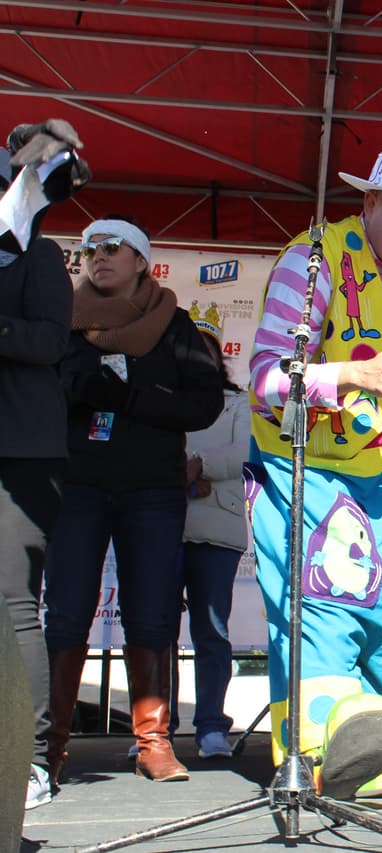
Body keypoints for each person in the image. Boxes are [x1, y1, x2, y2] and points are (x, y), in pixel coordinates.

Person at [245, 146, 382, 799]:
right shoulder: (312, 259)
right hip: (310, 471)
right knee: (324, 607)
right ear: (368, 203)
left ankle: (375, 749)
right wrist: (351, 374)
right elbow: (265, 377)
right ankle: (319, 752)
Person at [44, 218, 223, 785]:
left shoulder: (175, 325)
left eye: (111, 247)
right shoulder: (61, 322)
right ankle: (48, 747)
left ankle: (153, 742)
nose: (97, 256)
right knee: (66, 612)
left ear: (142, 261)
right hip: (76, 484)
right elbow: (34, 394)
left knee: (151, 611)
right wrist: (72, 389)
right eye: (88, 248)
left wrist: (130, 399)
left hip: (152, 490)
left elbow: (204, 404)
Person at [0, 120, 84, 810]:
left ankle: (28, 761)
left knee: (11, 603)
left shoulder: (39, 255)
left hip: (21, 450)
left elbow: (52, 341)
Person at [175, 323, 250, 760]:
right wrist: (182, 476)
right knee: (156, 629)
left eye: (205, 349)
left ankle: (210, 728)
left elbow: (246, 452)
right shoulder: (160, 399)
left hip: (218, 529)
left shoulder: (239, 403)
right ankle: (156, 730)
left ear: (220, 359)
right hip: (161, 524)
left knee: (212, 630)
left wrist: (199, 465)